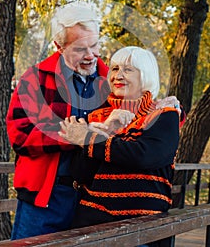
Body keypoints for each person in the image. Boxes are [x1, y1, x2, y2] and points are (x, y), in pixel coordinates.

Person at [6, 2, 110, 239]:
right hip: (46, 197)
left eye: (94, 45)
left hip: (93, 199)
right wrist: (71, 136)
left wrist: (169, 109)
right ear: (59, 47)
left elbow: (142, 115)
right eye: (80, 49)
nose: (90, 55)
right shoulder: (34, 79)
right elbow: (20, 136)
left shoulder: (112, 80)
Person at [59, 46, 180, 246]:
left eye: (128, 70)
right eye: (114, 69)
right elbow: (80, 173)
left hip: (142, 228)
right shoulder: (99, 116)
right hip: (93, 225)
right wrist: (106, 129)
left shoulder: (164, 114)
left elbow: (145, 156)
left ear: (145, 76)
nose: (118, 75)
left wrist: (90, 139)